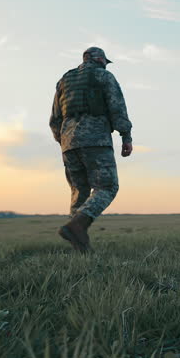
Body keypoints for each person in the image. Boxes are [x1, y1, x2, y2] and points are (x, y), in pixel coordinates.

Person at [49, 47, 133, 252]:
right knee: (107, 187)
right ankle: (77, 226)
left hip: (69, 144)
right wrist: (126, 136)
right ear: (99, 59)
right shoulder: (103, 76)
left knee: (80, 192)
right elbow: (117, 107)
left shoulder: (64, 81)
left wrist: (64, 140)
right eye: (105, 61)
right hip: (95, 140)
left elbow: (54, 119)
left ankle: (79, 247)